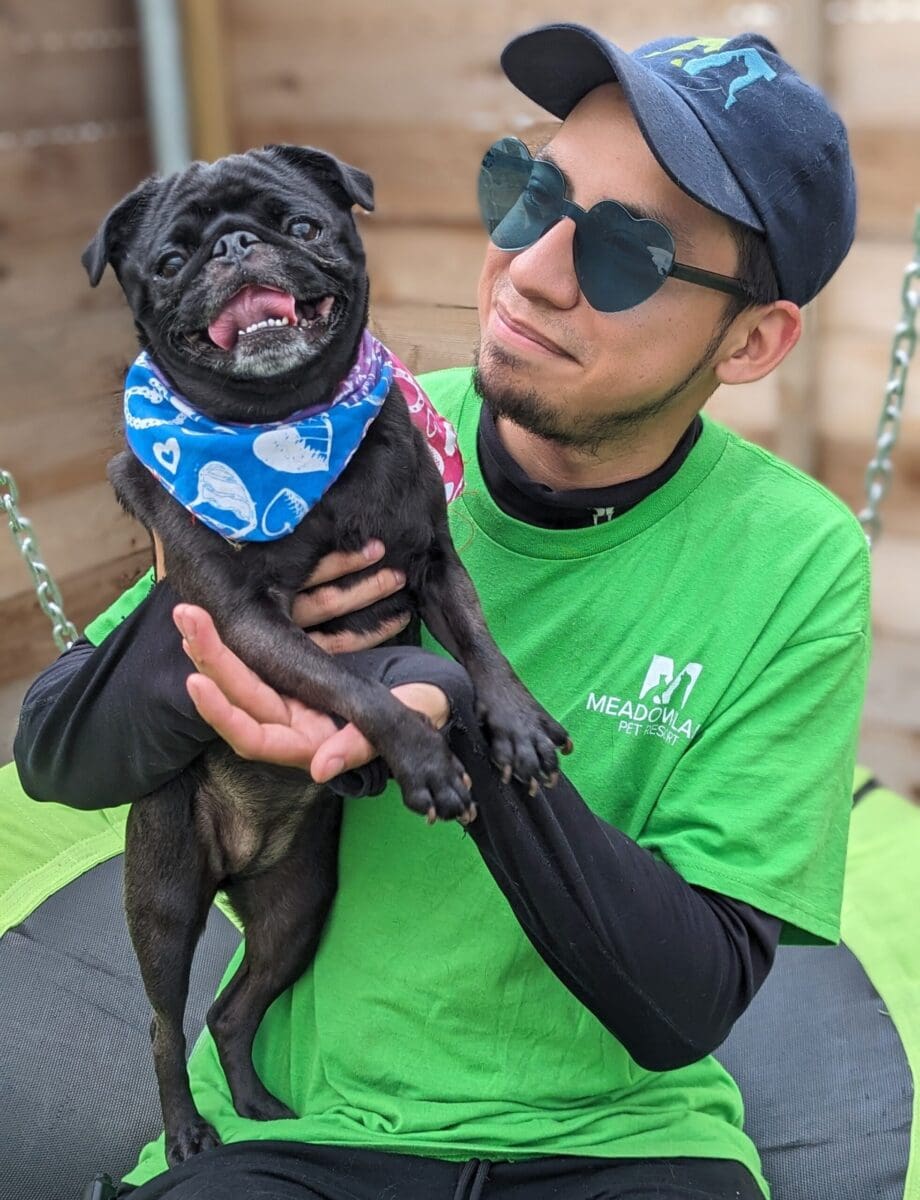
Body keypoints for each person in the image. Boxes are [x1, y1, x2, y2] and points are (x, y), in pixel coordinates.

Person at [14, 22, 870, 1200]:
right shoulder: (316, 435)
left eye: (624, 256)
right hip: (300, 1129)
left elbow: (682, 1001)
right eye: (526, 195)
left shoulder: (793, 560)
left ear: (752, 340)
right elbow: (52, 755)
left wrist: (448, 713)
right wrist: (203, 619)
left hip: (619, 1145)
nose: (532, 267)